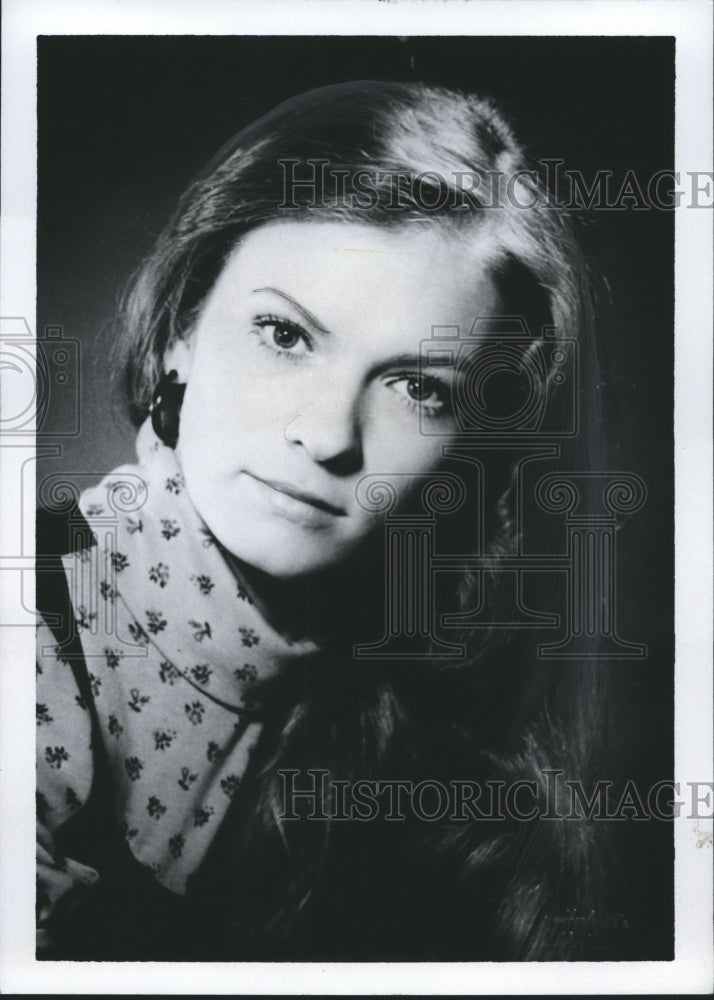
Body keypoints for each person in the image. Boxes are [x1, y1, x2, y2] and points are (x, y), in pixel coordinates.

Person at [36, 80, 630, 961]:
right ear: (182, 330)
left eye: (418, 388)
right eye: (285, 335)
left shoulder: (403, 711)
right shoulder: (32, 630)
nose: (327, 435)